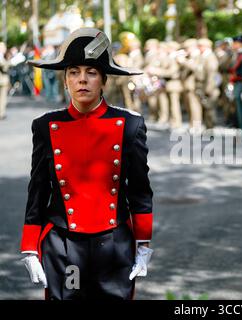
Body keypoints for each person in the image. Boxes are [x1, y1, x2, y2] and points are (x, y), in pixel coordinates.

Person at [20, 28, 154, 300]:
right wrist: (30, 247)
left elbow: (140, 189)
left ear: (104, 80)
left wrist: (143, 244)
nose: (82, 80)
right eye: (74, 72)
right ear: (65, 80)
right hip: (63, 244)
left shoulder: (130, 125)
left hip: (114, 243)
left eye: (91, 72)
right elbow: (38, 190)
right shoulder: (46, 126)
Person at [0, 42, 10, 120]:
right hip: (2, 80)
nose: (5, 49)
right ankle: (1, 113)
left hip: (2, 80)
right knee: (3, 98)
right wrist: (12, 62)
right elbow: (3, 66)